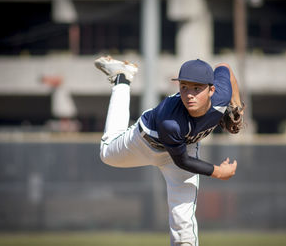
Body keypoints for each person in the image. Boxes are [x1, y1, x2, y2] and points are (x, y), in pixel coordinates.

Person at [95, 56, 243, 246]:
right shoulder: (171, 121)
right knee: (106, 154)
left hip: (185, 146)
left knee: (183, 221)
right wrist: (218, 171)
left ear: (212, 90)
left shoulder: (221, 95)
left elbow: (225, 68)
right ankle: (122, 78)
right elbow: (182, 162)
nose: (189, 94)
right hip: (145, 143)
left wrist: (237, 105)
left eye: (197, 88)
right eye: (184, 87)